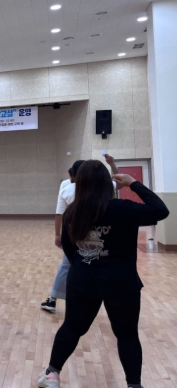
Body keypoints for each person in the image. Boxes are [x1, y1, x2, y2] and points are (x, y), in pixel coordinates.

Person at [37, 161, 169, 388]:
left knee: (72, 327)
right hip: (121, 282)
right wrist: (133, 183)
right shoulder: (123, 209)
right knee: (127, 334)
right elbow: (161, 210)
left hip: (82, 280)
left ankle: (51, 375)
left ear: (80, 184)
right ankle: (134, 385)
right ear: (107, 183)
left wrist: (85, 264)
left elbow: (69, 249)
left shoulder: (72, 213)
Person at [41, 155, 120, 312]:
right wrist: (112, 163)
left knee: (67, 265)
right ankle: (107, 299)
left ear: (73, 174)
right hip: (101, 234)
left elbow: (59, 214)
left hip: (76, 235)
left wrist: (57, 235)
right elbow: (119, 181)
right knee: (103, 265)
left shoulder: (66, 190)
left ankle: (53, 299)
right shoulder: (102, 187)